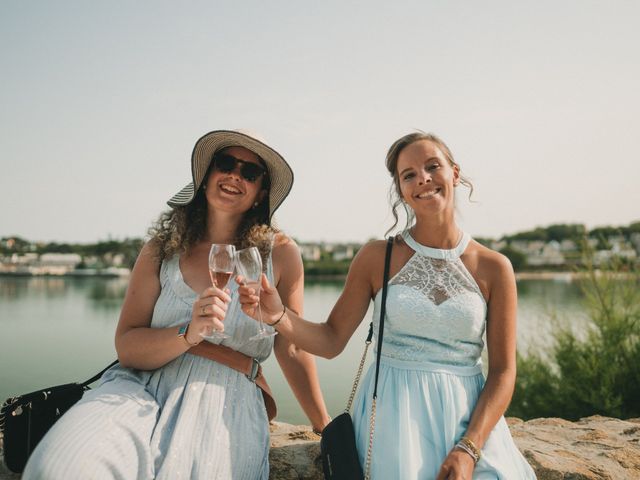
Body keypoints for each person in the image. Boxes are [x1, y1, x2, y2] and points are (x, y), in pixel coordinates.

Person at [23, 130, 331, 480]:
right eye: (226, 163)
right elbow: (127, 346)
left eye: (250, 172)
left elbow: (290, 348)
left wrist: (324, 425)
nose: (235, 175)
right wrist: (188, 332)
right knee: (62, 466)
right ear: (206, 176)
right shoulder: (161, 248)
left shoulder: (281, 254)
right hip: (138, 388)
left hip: (226, 397)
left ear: (261, 191)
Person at [238, 132, 537, 479]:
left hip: (468, 419)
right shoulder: (377, 257)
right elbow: (331, 340)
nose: (422, 178)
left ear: (454, 173)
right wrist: (277, 316)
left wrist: (469, 447)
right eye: (408, 174)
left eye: (432, 166)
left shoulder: (494, 267)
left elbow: (503, 372)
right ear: (402, 190)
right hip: (393, 417)